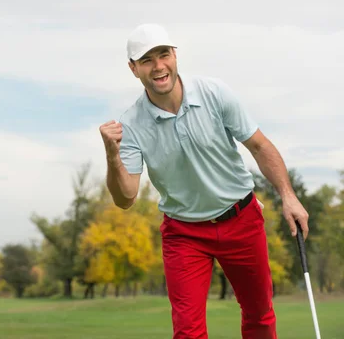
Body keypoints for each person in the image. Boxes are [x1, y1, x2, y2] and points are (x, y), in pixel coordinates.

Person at [99, 23, 310, 339]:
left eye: (163, 54)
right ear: (133, 69)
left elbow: (260, 146)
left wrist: (288, 196)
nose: (158, 66)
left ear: (174, 55)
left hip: (241, 218)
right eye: (146, 60)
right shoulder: (130, 124)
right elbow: (126, 197)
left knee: (260, 317)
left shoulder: (214, 93)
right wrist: (112, 155)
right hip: (184, 232)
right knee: (188, 332)